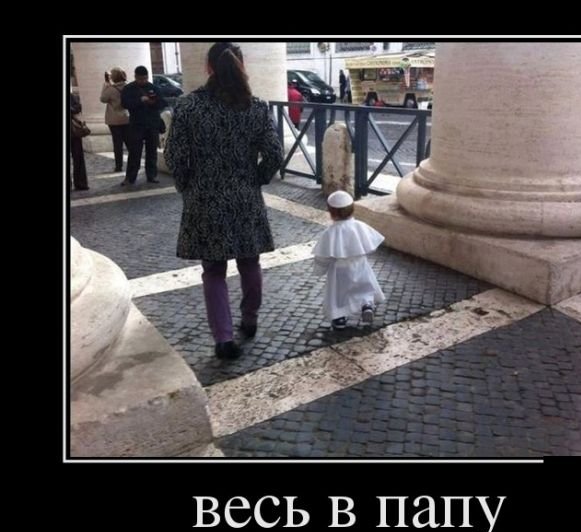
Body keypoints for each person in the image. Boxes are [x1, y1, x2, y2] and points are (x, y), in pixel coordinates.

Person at [165, 42, 283, 360]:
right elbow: (275, 153)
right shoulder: (256, 107)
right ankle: (250, 319)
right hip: (245, 196)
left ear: (208, 68)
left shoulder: (188, 106)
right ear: (242, 66)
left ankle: (223, 338)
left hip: (205, 199)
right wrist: (256, 179)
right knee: (250, 261)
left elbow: (174, 156)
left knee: (213, 270)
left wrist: (188, 186)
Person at [312, 190, 385, 330]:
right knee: (364, 286)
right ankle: (367, 305)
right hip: (360, 264)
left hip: (339, 269)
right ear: (352, 209)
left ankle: (339, 317)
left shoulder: (330, 233)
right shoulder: (360, 226)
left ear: (331, 212)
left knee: (340, 294)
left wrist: (319, 269)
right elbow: (371, 245)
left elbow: (323, 256)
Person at [120, 65, 166, 186]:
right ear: (135, 77)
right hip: (136, 124)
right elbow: (125, 104)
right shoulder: (129, 89)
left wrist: (152, 102)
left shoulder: (154, 88)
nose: (143, 81)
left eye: (145, 78)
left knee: (152, 151)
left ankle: (151, 175)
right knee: (134, 152)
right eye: (140, 79)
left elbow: (162, 103)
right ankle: (130, 177)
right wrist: (140, 101)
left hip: (152, 124)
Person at [100, 67, 129, 172]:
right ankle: (134, 162)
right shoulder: (128, 86)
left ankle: (119, 166)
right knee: (129, 142)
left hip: (114, 120)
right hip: (127, 118)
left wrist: (106, 85)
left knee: (117, 144)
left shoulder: (111, 89)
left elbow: (103, 99)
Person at [70, 92, 89, 191]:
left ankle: (81, 183)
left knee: (78, 157)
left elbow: (78, 107)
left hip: (73, 132)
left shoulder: (70, 96)